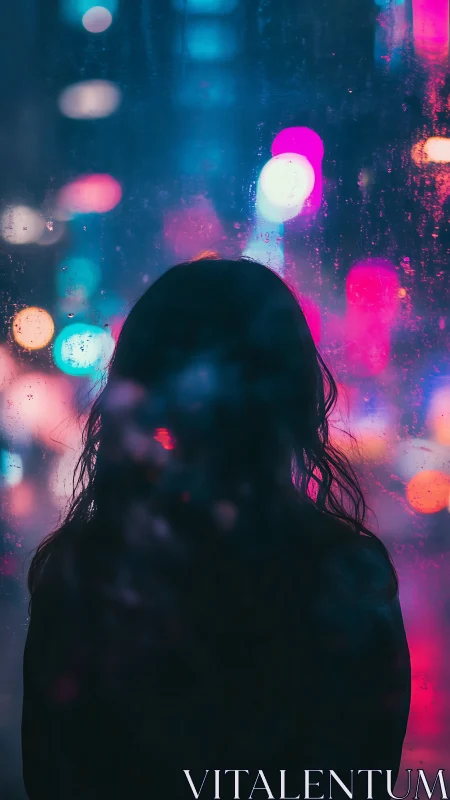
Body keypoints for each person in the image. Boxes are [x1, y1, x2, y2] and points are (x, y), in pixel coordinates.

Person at [22, 257, 411, 800]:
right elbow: (366, 773)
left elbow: (51, 773)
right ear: (294, 395)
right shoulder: (345, 570)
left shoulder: (85, 569)